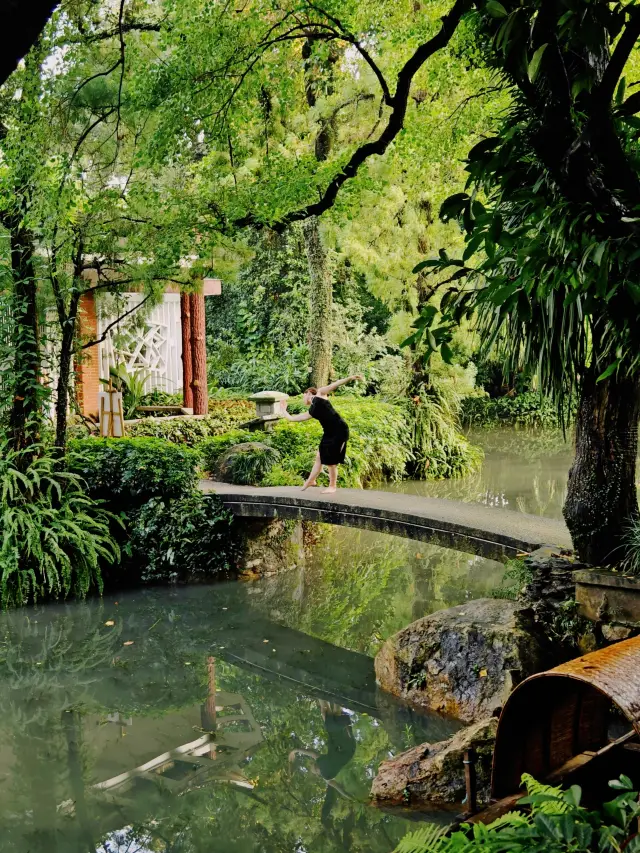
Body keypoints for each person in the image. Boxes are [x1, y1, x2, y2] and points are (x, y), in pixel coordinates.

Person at [282, 374, 363, 493]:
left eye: (303, 396)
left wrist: (350, 379)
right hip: (329, 432)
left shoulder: (321, 394)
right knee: (319, 457)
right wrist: (284, 411)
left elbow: (335, 384)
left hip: (339, 430)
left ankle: (332, 486)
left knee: (331, 461)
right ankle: (311, 481)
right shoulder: (311, 411)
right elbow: (293, 419)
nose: (302, 399)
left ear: (309, 392)